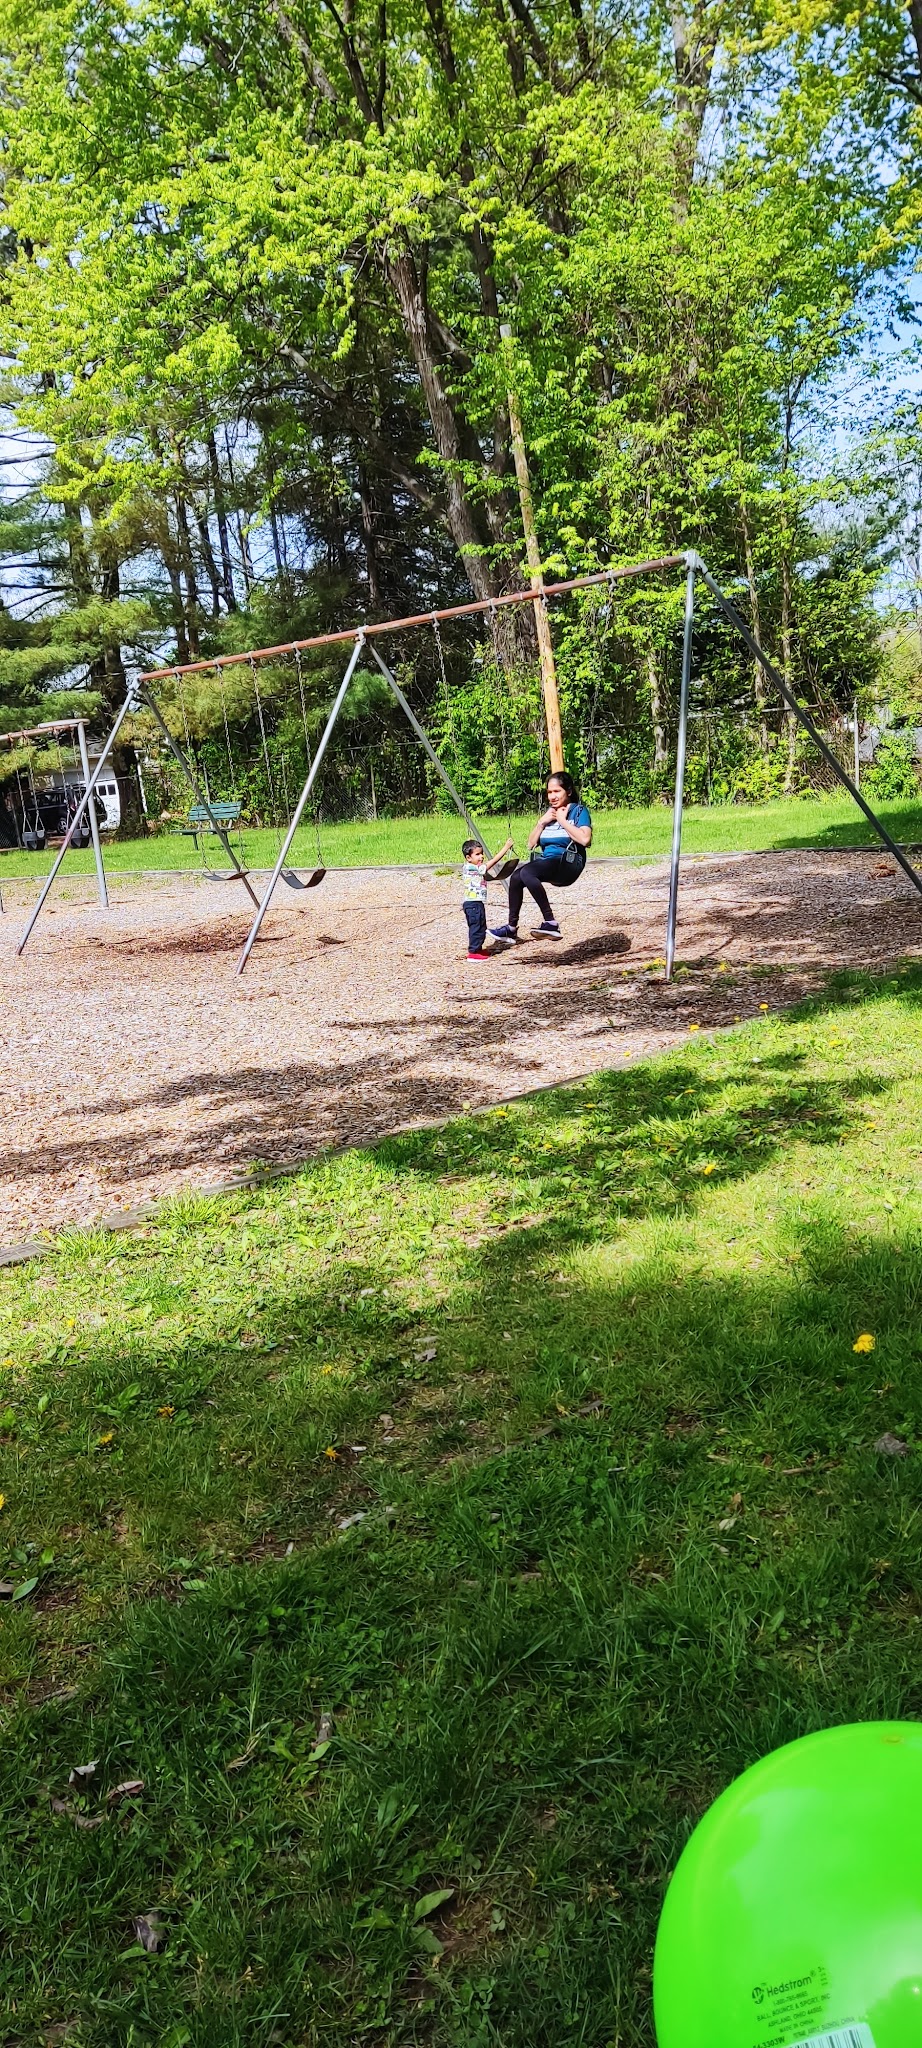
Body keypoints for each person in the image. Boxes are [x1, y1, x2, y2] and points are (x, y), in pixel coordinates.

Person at [490, 771, 591, 944]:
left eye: (556, 791)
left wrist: (563, 821)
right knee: (516, 877)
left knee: (528, 873)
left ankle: (551, 923)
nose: (552, 796)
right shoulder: (549, 815)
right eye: (549, 792)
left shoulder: (578, 811)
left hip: (568, 863)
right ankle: (511, 929)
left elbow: (585, 839)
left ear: (568, 791)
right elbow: (531, 844)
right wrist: (541, 823)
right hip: (549, 862)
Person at [461, 834, 514, 959]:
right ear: (468, 858)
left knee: (481, 926)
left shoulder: (469, 866)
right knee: (476, 927)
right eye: (478, 854)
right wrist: (506, 848)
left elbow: (472, 855)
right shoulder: (473, 868)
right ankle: (473, 953)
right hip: (473, 904)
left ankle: (478, 949)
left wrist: (469, 842)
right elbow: (493, 861)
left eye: (482, 853)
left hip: (476, 903)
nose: (482, 856)